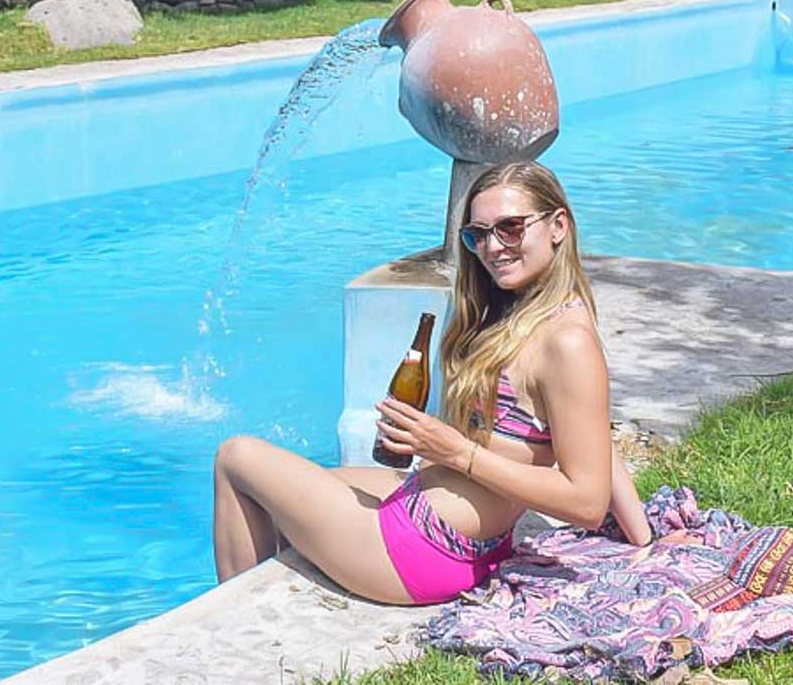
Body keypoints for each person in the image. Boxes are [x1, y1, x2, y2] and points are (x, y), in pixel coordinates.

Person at [213, 161, 653, 604]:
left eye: (511, 228)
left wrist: (456, 451)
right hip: (445, 528)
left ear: (558, 225)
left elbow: (587, 502)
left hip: (421, 551)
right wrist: (641, 536)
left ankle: (226, 629)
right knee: (291, 494)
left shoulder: (567, 341)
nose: (493, 248)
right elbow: (589, 431)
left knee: (236, 459)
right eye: (478, 235)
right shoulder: (529, 315)